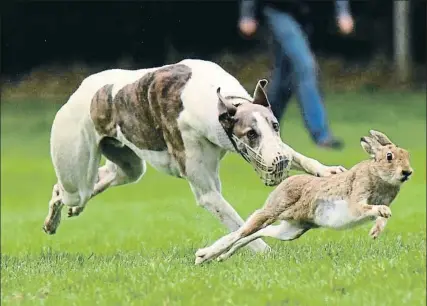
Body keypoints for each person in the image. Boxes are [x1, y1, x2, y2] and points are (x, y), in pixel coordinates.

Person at [238, 0, 354, 150]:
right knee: (305, 66)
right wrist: (247, 14)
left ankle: (261, 125)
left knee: (283, 79)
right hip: (277, 9)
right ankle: (321, 135)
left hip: (304, 15)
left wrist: (342, 12)